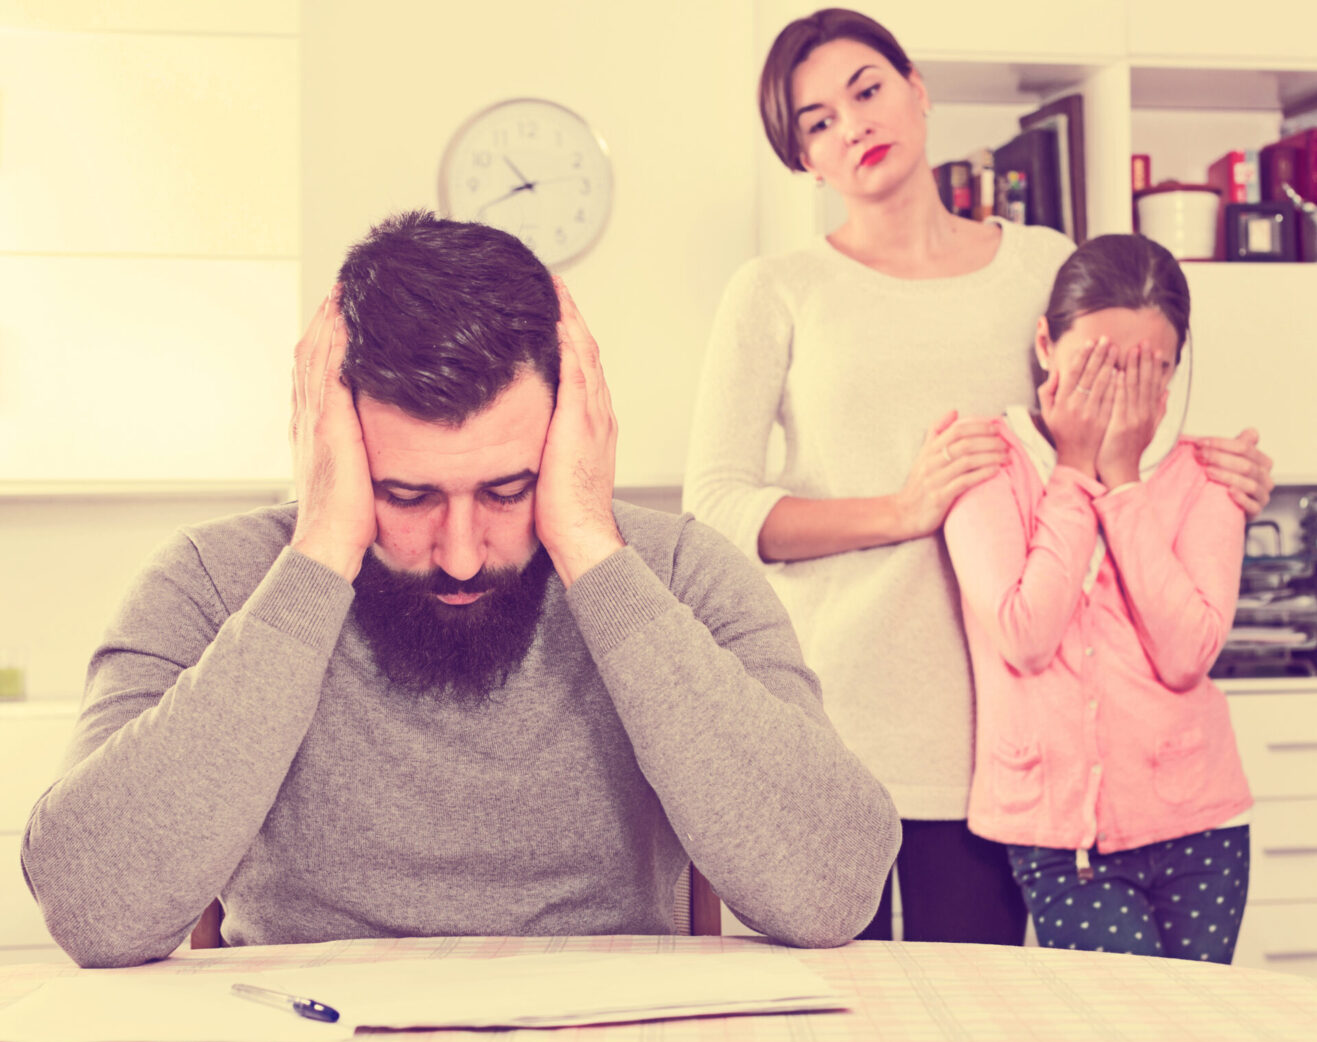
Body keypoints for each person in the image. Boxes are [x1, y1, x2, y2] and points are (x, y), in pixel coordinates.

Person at [22, 210, 899, 968]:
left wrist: (592, 546)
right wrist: (324, 543)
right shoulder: (211, 583)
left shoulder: (676, 575)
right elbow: (96, 911)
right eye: (406, 496)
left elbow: (831, 891)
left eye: (508, 491)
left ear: (571, 433)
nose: (463, 555)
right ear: (331, 446)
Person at [682, 7, 1273, 946]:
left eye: (866, 91)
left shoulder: (1037, 262)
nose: (852, 125)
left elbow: (1101, 432)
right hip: (842, 718)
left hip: (1015, 741)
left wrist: (1209, 469)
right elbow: (710, 509)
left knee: (982, 1015)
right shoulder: (777, 290)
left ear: (917, 91)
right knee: (842, 1019)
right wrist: (902, 508)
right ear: (804, 160)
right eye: (817, 121)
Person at [943, 233, 1251, 961]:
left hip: (1201, 826)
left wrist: (1123, 484)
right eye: (1097, 364)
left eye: (1149, 370)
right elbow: (1023, 632)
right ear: (1046, 345)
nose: (1118, 392)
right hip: (1059, 837)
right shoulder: (985, 462)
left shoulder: (1207, 477)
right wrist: (1076, 471)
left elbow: (1186, 656)